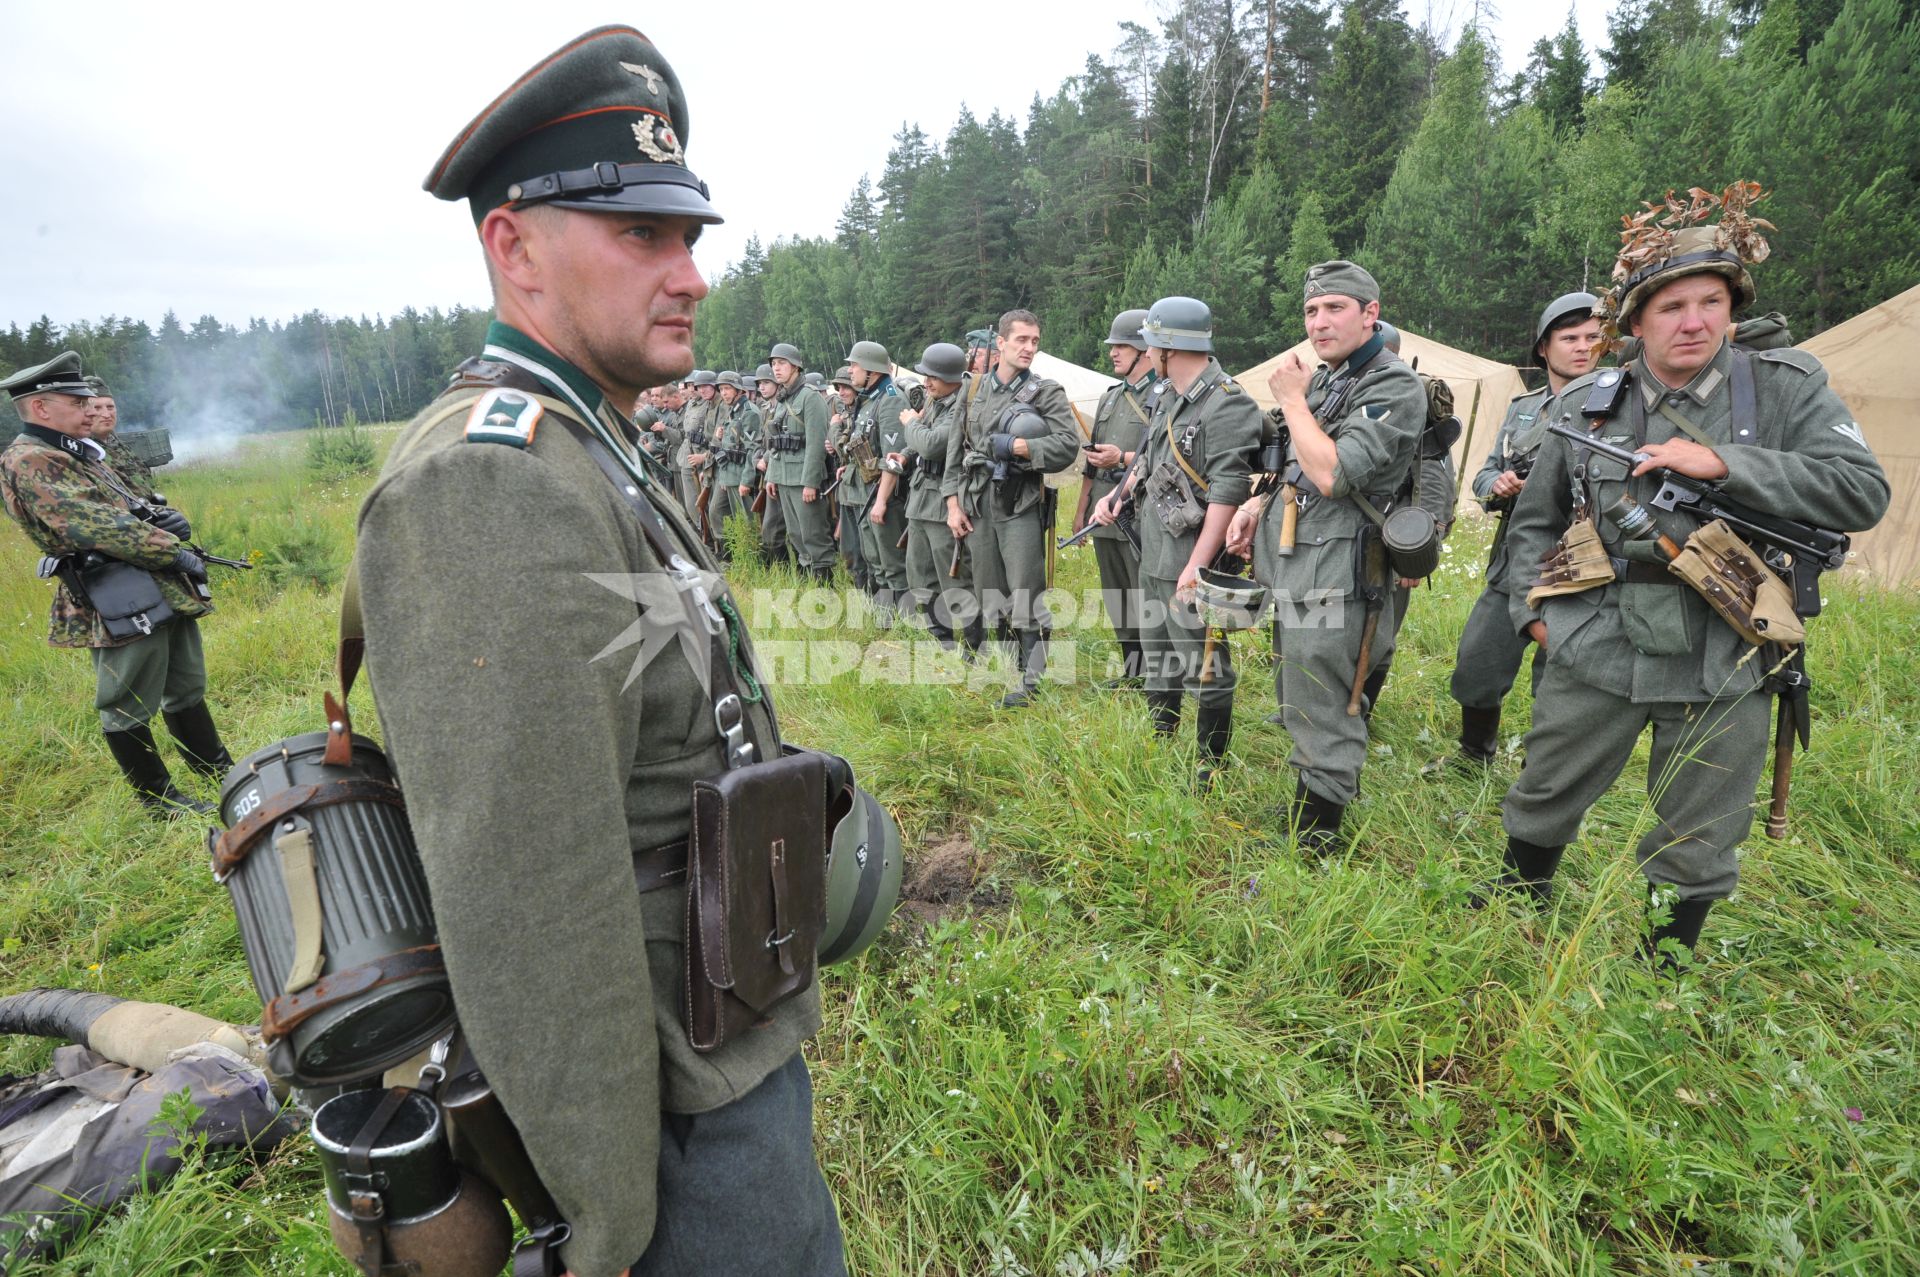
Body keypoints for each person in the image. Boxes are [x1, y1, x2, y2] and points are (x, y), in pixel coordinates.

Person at [354, 27, 847, 1275]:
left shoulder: (594, 444)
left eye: (689, 238)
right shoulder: (492, 482)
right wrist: (608, 1217)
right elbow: (532, 901)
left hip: (721, 1038)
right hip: (666, 1120)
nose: (688, 274)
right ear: (513, 247)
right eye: (643, 237)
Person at [1489, 193, 1888, 963]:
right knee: (1544, 791)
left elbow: (1861, 491)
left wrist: (1727, 464)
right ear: (1635, 322)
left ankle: (1660, 966)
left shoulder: (1784, 389)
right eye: (1672, 305)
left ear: (1733, 310)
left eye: (1712, 302)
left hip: (1726, 645)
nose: (1694, 321)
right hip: (1596, 639)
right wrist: (1531, 615)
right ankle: (1515, 906)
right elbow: (1534, 520)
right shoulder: (1587, 401)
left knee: (1701, 826)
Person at [1226, 261, 1425, 851]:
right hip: (1299, 560)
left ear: (1371, 313)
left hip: (1340, 569)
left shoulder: (1391, 384)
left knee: (1322, 701)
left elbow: (1335, 473)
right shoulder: (1329, 380)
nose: (1319, 322)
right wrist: (1256, 504)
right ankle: (1321, 803)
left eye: (1335, 307)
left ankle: (1315, 845)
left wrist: (1290, 399)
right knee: (1297, 689)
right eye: (1311, 311)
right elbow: (1293, 465)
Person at [1, 353, 233, 814]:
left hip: (154, 581)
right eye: (77, 401)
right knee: (125, 698)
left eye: (90, 401)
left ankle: (220, 772)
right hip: (113, 591)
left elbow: (126, 507)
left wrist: (163, 519)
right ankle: (158, 800)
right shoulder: (30, 460)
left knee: (184, 683)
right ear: (42, 408)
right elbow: (94, 527)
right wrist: (174, 550)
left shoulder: (77, 451)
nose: (91, 409)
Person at [1428, 293, 1600, 773]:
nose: (1583, 348)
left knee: (1560, 681)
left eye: (1592, 338)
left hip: (1584, 567)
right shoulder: (1525, 410)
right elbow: (1482, 479)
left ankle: (1542, 778)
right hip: (1515, 562)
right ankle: (1473, 755)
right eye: (1569, 338)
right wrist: (1499, 485)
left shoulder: (1621, 407)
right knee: (1477, 664)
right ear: (1544, 348)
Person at [1094, 298, 1259, 785]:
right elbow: (1147, 458)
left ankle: (1210, 765)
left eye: (1149, 339)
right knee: (1159, 653)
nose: (1144, 347)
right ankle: (1161, 741)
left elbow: (1230, 491)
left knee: (1204, 664)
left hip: (1191, 555)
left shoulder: (1228, 401)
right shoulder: (1169, 395)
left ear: (1166, 344)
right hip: (1153, 548)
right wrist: (1118, 498)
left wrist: (1198, 566)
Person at [942, 310, 1082, 708]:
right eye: (1021, 340)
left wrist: (1020, 447)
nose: (1029, 348)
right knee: (989, 591)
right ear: (1000, 343)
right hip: (977, 502)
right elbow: (956, 453)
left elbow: (1066, 447)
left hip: (1019, 502)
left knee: (1026, 592)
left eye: (1035, 341)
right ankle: (1006, 671)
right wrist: (953, 504)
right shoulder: (972, 391)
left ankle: (1032, 681)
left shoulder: (1045, 391)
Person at [1354, 320, 1458, 717]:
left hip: (1396, 535)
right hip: (1352, 530)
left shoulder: (1411, 397)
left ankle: (1362, 712)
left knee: (1380, 632)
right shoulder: (1348, 389)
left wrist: (1418, 550)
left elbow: (1433, 477)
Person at [1073, 309, 1156, 686]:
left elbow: (1163, 455)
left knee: (1145, 594)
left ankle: (1159, 674)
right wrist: (1082, 510)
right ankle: (1133, 670)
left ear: (1144, 350)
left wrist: (1121, 457)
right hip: (1105, 507)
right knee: (1117, 595)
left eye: (1122, 346)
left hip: (1142, 510)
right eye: (1113, 346)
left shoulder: (1163, 396)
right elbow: (1091, 463)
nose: (1113, 353)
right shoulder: (1109, 398)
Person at [897, 342, 981, 653]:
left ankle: (975, 647)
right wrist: (905, 455)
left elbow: (933, 444)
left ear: (951, 377)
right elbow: (921, 443)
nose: (926, 382)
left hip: (945, 501)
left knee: (955, 580)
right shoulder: (936, 400)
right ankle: (941, 641)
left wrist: (911, 424)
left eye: (932, 376)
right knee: (919, 573)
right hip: (920, 498)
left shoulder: (962, 405)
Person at [846, 341, 911, 622]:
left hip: (884, 496)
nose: (850, 371)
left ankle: (905, 619)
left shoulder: (891, 400)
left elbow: (893, 459)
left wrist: (882, 501)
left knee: (892, 562)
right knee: (875, 559)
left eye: (854, 365)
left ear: (871, 369)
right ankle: (886, 616)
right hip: (865, 492)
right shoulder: (870, 399)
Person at [764, 344, 833, 581]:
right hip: (784, 477)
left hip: (803, 479)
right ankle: (809, 584)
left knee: (813, 535)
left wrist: (811, 483)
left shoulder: (810, 397)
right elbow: (776, 442)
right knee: (795, 534)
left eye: (781, 363)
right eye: (774, 364)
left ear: (795, 366)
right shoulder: (783, 398)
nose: (776, 368)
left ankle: (825, 590)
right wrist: (771, 476)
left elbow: (816, 444)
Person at [707, 370, 761, 558]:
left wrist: (746, 480)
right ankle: (730, 552)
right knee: (716, 511)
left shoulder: (749, 413)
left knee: (747, 519)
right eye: (721, 389)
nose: (724, 393)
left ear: (739, 390)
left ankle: (752, 558)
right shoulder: (731, 411)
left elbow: (753, 448)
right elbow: (727, 447)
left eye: (727, 388)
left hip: (741, 476)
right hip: (728, 474)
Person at [826, 367, 868, 591]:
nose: (841, 392)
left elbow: (847, 447)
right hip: (850, 485)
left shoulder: (862, 413)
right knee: (850, 549)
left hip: (864, 489)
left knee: (867, 551)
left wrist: (833, 431)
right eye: (838, 388)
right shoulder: (848, 413)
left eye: (846, 387)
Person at [81, 377, 158, 500]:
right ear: (85, 412)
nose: (106, 415)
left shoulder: (118, 444)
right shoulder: (83, 450)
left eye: (110, 407)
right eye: (97, 408)